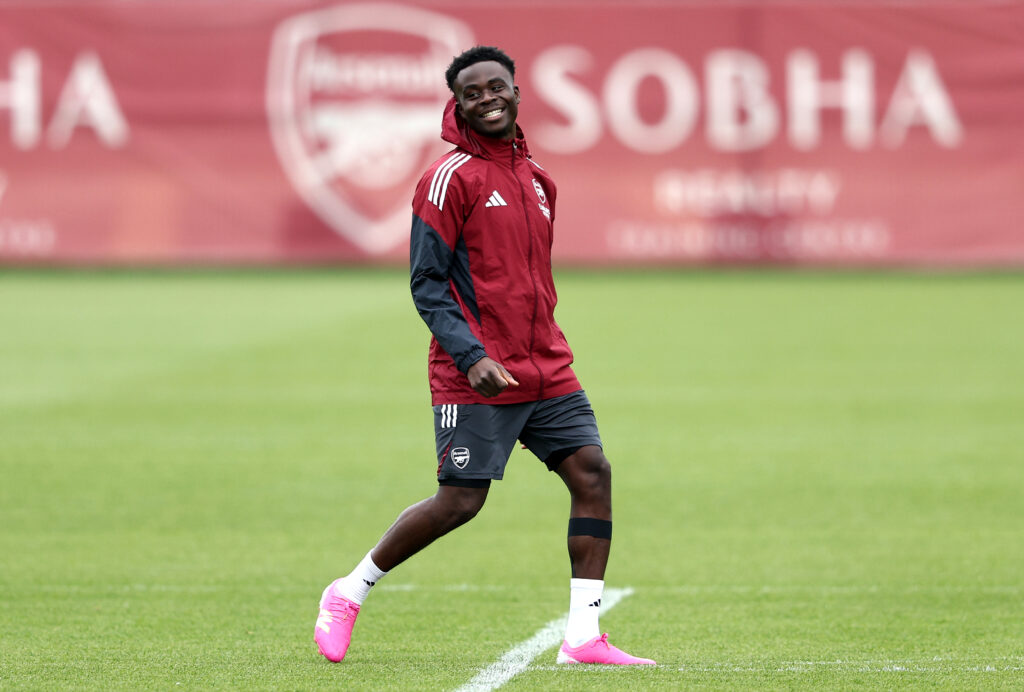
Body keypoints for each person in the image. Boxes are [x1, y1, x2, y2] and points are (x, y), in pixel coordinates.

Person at [314, 45, 654, 667]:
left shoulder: (538, 179)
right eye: (473, 93)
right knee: (461, 501)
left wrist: (542, 346)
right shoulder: (447, 180)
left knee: (592, 474)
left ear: (517, 92)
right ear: (459, 104)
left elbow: (529, 280)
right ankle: (347, 591)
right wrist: (471, 356)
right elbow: (428, 283)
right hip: (475, 373)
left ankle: (582, 637)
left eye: (497, 87)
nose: (488, 98)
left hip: (544, 364)